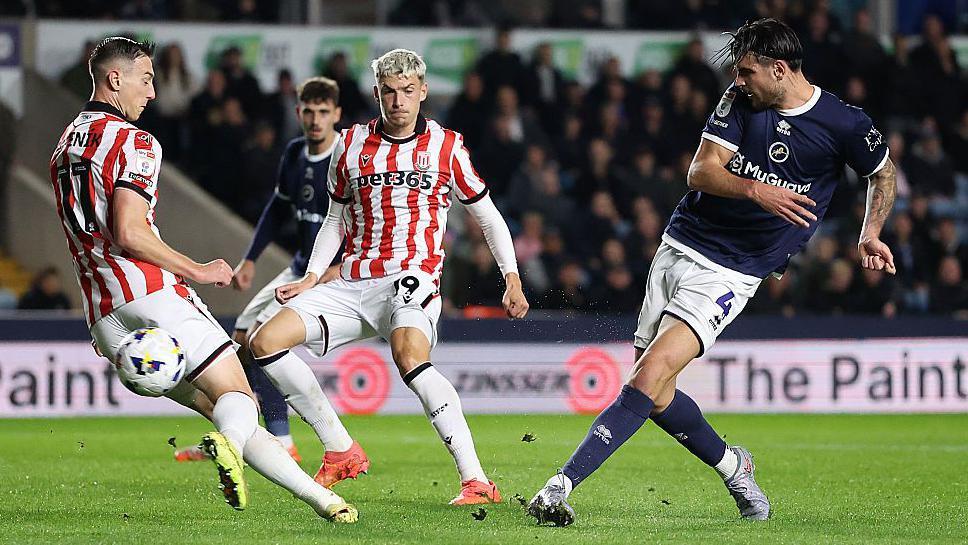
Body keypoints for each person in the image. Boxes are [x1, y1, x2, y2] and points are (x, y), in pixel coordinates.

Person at [528, 18, 896, 526]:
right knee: (654, 394)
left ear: (780, 69)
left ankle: (559, 486)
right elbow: (699, 171)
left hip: (732, 270)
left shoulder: (844, 123)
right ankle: (733, 466)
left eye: (746, 71)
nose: (738, 80)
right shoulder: (740, 100)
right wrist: (756, 190)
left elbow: (883, 172)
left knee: (648, 375)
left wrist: (869, 231)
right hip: (680, 244)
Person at [49, 37, 357, 523]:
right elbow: (128, 231)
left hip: (104, 317)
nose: (151, 93)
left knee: (222, 407)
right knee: (239, 398)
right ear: (115, 80)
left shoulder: (65, 145)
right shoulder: (135, 141)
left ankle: (325, 502)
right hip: (150, 294)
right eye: (147, 80)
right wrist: (197, 269)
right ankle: (229, 443)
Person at [247, 48, 529, 505]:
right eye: (389, 92)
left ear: (422, 92)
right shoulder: (352, 144)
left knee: (408, 354)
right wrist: (312, 277)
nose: (398, 101)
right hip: (354, 281)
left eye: (407, 92)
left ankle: (476, 479)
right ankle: (340, 448)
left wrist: (511, 277)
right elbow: (335, 218)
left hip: (411, 275)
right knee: (263, 342)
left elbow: (490, 218)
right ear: (377, 93)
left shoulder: (446, 146)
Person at [174, 78, 355, 482]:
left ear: (337, 115)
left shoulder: (348, 155)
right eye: (308, 111)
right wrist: (250, 259)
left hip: (333, 274)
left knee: (261, 342)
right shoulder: (294, 153)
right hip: (299, 267)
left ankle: (281, 439)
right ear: (298, 113)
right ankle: (239, 433)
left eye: (323, 112)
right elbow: (278, 209)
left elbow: (361, 219)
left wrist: (335, 270)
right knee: (238, 342)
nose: (315, 119)